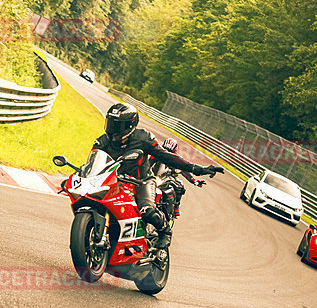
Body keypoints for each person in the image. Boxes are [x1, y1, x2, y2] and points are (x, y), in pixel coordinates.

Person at [93, 103, 224, 250]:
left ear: (130, 125)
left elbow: (167, 157)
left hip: (141, 182)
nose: (112, 130)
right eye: (110, 124)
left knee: (147, 210)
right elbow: (93, 162)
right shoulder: (102, 141)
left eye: (117, 126)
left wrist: (197, 169)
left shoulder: (143, 138)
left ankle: (165, 232)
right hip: (113, 180)